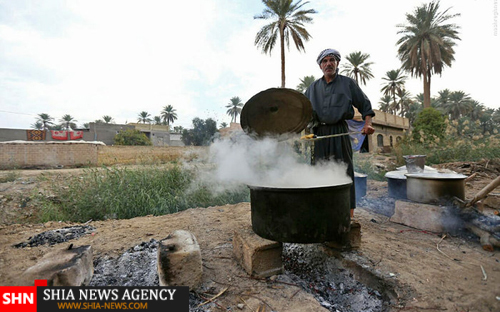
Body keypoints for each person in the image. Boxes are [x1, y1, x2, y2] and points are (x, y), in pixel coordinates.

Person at [305, 48, 375, 218]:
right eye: (324, 61)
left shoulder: (347, 83)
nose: (328, 63)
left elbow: (365, 105)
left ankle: (347, 213)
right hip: (319, 135)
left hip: (340, 132)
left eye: (331, 60)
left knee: (344, 170)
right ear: (320, 66)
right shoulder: (312, 88)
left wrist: (368, 124)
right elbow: (302, 112)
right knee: (319, 170)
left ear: (337, 63)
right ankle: (321, 210)